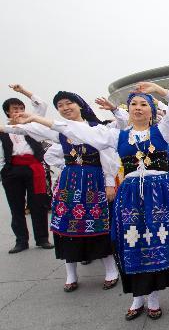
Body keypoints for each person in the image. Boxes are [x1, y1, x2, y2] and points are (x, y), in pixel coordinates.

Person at [13, 82, 169, 320]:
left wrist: (158, 90)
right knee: (132, 241)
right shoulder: (116, 135)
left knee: (158, 239)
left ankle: (154, 298)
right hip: (131, 195)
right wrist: (36, 118)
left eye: (142, 104)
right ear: (127, 111)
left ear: (151, 110)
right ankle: (137, 297)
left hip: (160, 194)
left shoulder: (165, 131)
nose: (138, 108)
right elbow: (74, 130)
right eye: (133, 105)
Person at [2, 89, 123, 292]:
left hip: (94, 182)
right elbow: (25, 130)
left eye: (69, 103)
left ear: (80, 105)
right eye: (60, 106)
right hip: (70, 184)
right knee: (66, 226)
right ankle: (71, 273)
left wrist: (110, 182)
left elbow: (108, 156)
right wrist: (67, 168)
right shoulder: (58, 130)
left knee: (100, 223)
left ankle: (111, 269)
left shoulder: (95, 128)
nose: (65, 108)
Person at [0, 84, 53, 253]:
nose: (19, 111)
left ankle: (42, 238)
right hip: (12, 170)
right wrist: (4, 170)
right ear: (7, 112)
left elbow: (42, 105)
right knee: (16, 206)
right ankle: (21, 241)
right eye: (15, 109)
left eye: (21, 108)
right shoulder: (2, 130)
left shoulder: (31, 124)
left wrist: (23, 91)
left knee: (39, 204)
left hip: (34, 168)